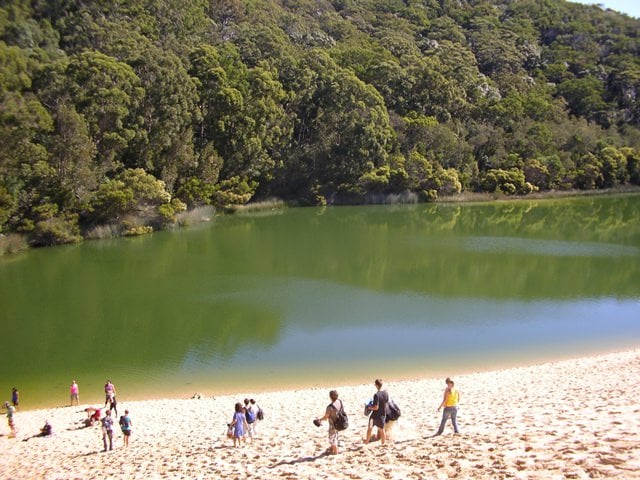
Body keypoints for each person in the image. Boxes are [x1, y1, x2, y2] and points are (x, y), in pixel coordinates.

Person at [314, 390, 343, 455]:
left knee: (331, 439)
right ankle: (332, 449)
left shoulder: (330, 407)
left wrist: (319, 420)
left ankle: (335, 452)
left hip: (333, 424)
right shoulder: (339, 402)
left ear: (330, 397)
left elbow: (326, 417)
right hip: (340, 422)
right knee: (335, 436)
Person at [364, 379, 388, 445]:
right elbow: (386, 402)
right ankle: (383, 443)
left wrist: (369, 407)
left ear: (376, 385)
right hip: (382, 415)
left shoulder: (376, 395)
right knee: (382, 430)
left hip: (374, 417)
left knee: (370, 428)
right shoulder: (386, 393)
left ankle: (366, 442)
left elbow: (376, 407)